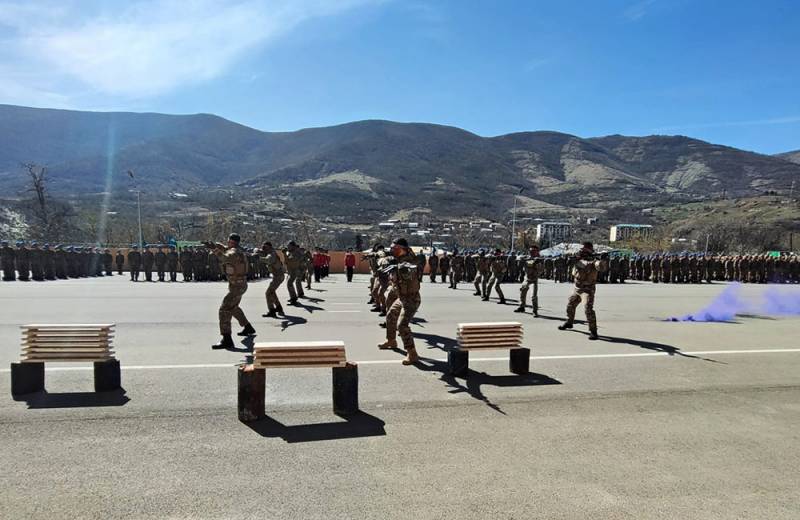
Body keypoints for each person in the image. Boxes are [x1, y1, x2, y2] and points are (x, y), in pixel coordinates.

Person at [206, 234, 255, 349]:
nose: (227, 243)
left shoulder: (233, 253)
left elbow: (225, 258)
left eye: (228, 241)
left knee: (224, 310)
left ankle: (227, 339)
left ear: (231, 242)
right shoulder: (239, 251)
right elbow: (228, 251)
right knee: (233, 307)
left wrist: (214, 249)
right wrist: (217, 246)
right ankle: (248, 327)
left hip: (237, 286)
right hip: (240, 284)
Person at [378, 238, 421, 365]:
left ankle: (412, 353)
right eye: (392, 248)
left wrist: (401, 269)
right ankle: (391, 341)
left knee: (402, 325)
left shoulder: (410, 261)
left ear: (404, 249)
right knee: (390, 315)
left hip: (412, 299)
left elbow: (410, 269)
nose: (393, 250)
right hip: (401, 298)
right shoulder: (397, 259)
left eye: (396, 248)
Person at [558, 242, 607, 340]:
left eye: (584, 250)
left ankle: (593, 331)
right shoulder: (577, 259)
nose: (582, 251)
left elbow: (601, 268)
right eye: (582, 250)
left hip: (587, 290)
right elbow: (568, 259)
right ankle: (569, 322)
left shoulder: (594, 261)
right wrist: (571, 257)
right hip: (577, 288)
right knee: (570, 305)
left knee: (588, 309)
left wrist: (603, 259)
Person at [260, 241, 285, 318]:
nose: (264, 249)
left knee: (268, 293)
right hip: (277, 276)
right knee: (272, 292)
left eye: (265, 247)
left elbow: (268, 260)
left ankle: (272, 311)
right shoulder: (271, 253)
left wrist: (259, 258)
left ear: (269, 247)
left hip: (278, 276)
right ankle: (279, 308)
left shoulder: (272, 254)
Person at [516, 245, 541, 316]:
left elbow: (540, 271)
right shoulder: (527, 257)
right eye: (530, 251)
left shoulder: (539, 260)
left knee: (533, 295)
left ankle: (535, 311)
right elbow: (518, 258)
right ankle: (522, 306)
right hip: (527, 278)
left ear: (537, 252)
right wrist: (522, 259)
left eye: (533, 251)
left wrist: (536, 264)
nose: (531, 252)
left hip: (534, 279)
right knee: (522, 291)